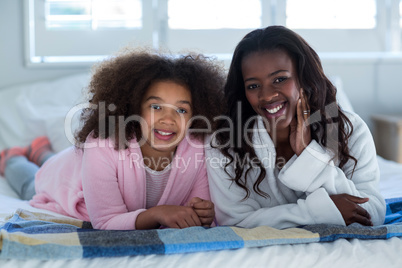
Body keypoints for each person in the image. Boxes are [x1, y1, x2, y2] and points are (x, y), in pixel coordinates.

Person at [0, 48, 226, 230]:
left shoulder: (197, 147)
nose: (168, 119)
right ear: (134, 107)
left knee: (49, 157)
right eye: (156, 106)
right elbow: (106, 221)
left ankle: (40, 149)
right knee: (31, 182)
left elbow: (196, 210)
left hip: (79, 161)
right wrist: (157, 213)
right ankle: (12, 158)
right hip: (66, 179)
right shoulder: (102, 145)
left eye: (181, 110)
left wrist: (203, 212)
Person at [206, 25, 386, 229]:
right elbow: (235, 221)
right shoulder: (224, 142)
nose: (266, 95)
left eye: (280, 79)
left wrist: (308, 153)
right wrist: (320, 212)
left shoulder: (350, 129)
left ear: (303, 77)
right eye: (253, 86)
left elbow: (372, 214)